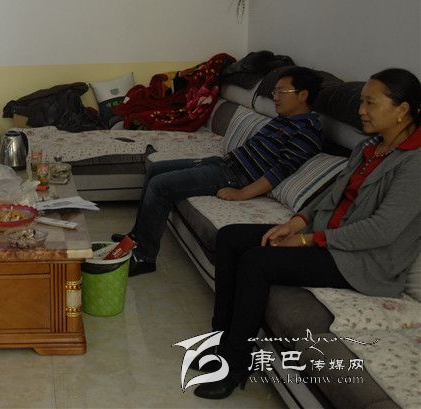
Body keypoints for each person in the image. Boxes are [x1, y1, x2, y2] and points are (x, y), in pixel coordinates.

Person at [194, 68, 421, 399]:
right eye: (361, 102)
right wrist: (295, 223)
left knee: (257, 261)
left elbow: (382, 230)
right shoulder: (368, 146)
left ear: (402, 109)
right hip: (329, 237)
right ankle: (219, 342)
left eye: (371, 103)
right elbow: (330, 197)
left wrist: (308, 240)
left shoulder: (414, 162)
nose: (361, 111)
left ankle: (236, 364)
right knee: (230, 237)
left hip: (363, 260)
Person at [112, 66, 324, 276]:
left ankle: (145, 257)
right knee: (156, 169)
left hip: (234, 177)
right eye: (274, 91)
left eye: (282, 92)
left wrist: (242, 193)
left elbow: (280, 171)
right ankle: (136, 238)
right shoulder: (283, 119)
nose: (275, 97)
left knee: (160, 185)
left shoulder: (307, 132)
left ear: (303, 95)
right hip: (225, 162)